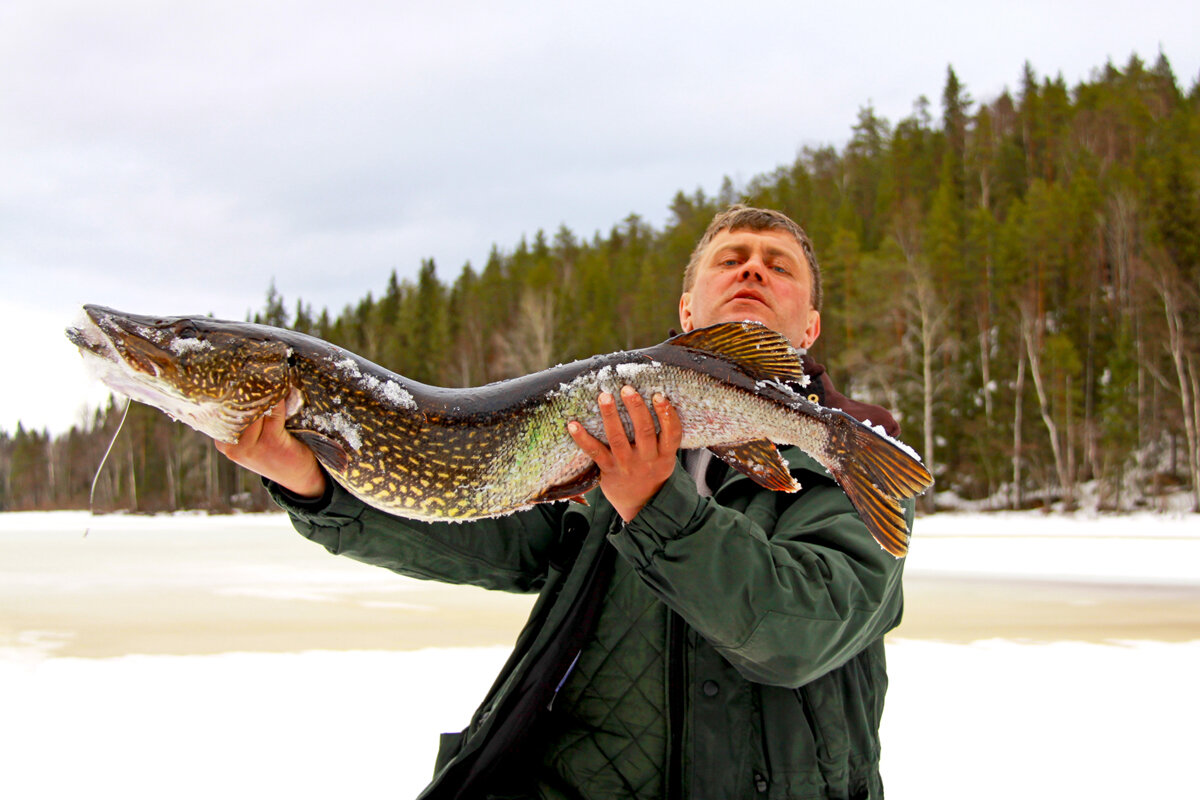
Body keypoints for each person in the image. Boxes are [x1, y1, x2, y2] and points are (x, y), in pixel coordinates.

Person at [217, 205, 913, 799]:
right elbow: (488, 520)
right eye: (731, 259)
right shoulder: (599, 434)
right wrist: (316, 483)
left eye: (778, 265)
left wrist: (656, 504)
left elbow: (804, 631)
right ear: (686, 311)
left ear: (811, 327)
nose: (753, 270)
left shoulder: (849, 461)